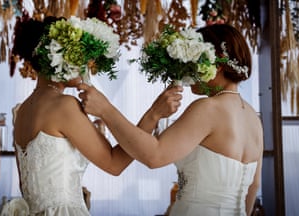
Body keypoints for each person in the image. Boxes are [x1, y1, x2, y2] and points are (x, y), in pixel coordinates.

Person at [78, 24, 263, 216]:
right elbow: (253, 186)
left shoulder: (209, 108)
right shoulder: (252, 117)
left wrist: (106, 110)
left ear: (217, 65)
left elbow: (154, 155)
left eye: (193, 61)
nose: (186, 71)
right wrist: (154, 114)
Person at [11, 15, 183, 215]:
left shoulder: (21, 111)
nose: (85, 63)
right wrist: (153, 114)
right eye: (77, 55)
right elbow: (115, 164)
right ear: (54, 57)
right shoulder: (64, 106)